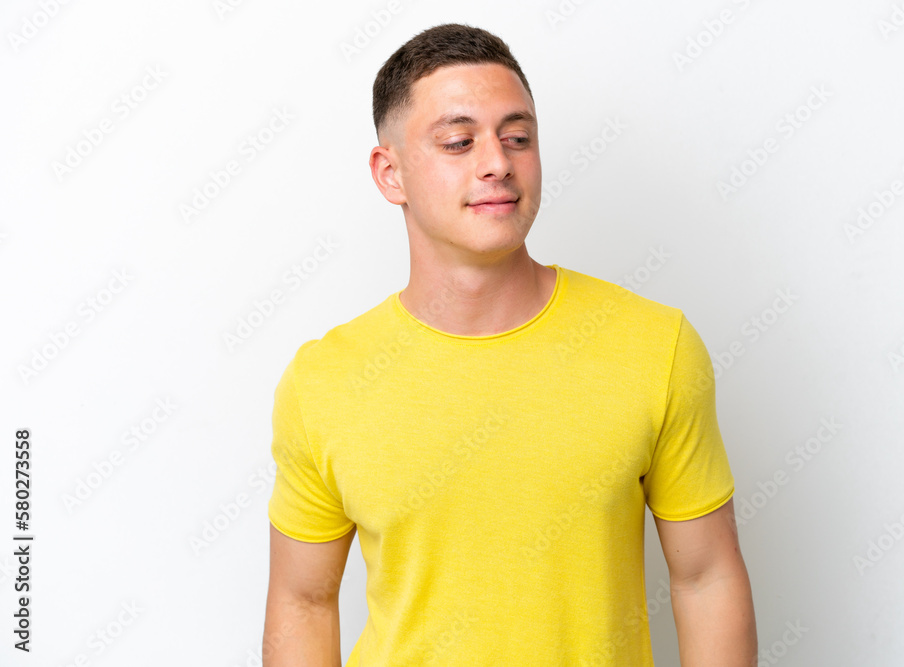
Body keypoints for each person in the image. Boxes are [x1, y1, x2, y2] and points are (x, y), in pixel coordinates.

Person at [262, 22, 756, 666]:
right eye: (459, 141)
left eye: (518, 138)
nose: (498, 163)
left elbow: (706, 577)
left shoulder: (654, 347)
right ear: (390, 174)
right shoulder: (324, 381)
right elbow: (302, 601)